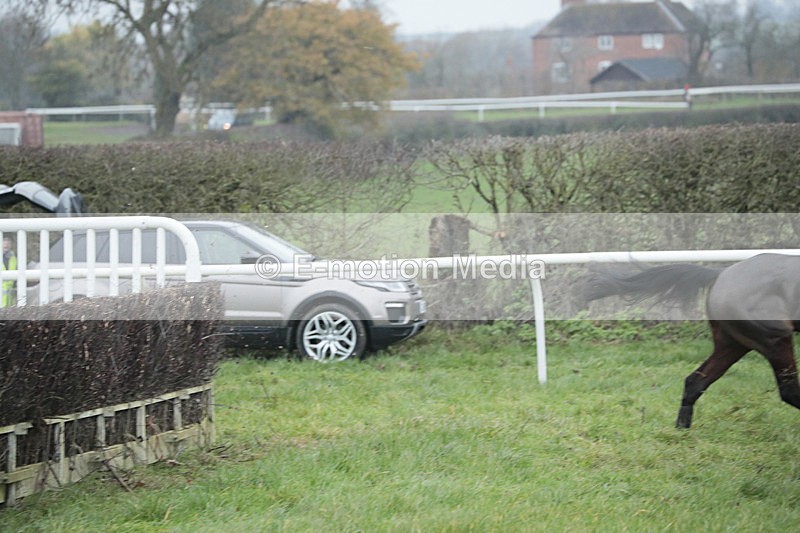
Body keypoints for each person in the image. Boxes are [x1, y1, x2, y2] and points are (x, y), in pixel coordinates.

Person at [2, 235, 17, 307]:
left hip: (10, 302)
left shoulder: (13, 258)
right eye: (4, 240)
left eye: (8, 241)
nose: (6, 243)